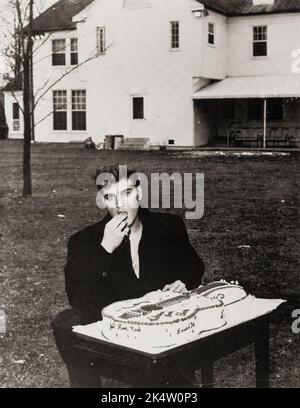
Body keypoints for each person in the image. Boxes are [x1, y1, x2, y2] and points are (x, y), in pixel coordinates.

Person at [52, 165, 205, 387]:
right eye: (109, 197)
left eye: (126, 193)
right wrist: (105, 250)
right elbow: (79, 300)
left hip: (160, 326)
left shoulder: (167, 227)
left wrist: (183, 282)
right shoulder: (84, 241)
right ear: (103, 200)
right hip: (116, 332)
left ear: (139, 194)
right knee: (65, 321)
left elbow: (193, 266)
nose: (120, 205)